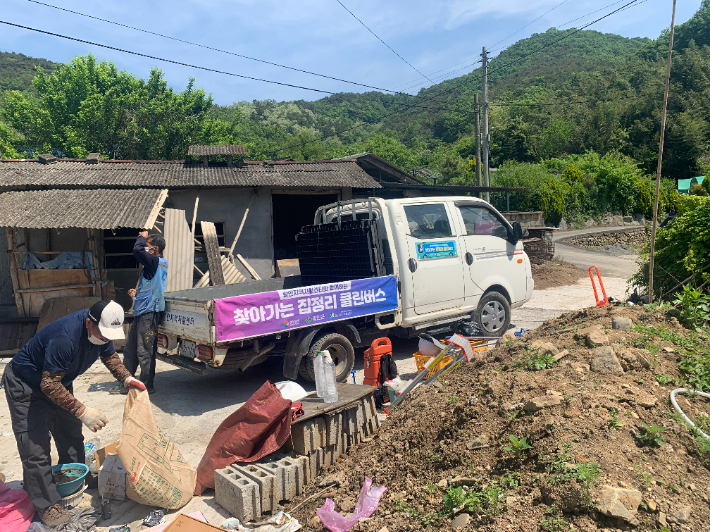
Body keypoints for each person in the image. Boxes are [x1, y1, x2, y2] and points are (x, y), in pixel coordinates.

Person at [2, 300, 146, 526]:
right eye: (103, 334)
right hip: (26, 386)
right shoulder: (65, 337)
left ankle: (74, 478)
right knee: (35, 448)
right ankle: (47, 503)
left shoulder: (101, 333)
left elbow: (109, 356)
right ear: (89, 322)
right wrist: (82, 410)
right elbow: (48, 385)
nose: (106, 339)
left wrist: (127, 378)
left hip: (58, 382)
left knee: (70, 434)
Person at [110, 230, 167, 395]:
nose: (145, 249)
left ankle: (147, 386)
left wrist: (142, 236)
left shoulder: (155, 261)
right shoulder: (155, 264)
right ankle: (128, 382)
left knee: (145, 351)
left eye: (147, 246)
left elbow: (136, 250)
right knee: (130, 349)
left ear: (155, 249)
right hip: (143, 311)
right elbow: (153, 287)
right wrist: (137, 293)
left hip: (149, 313)